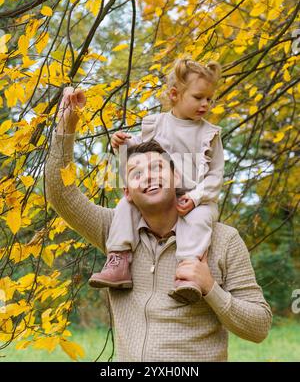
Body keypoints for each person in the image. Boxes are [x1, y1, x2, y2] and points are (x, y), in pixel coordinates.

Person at [44, 84, 272, 362]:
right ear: (127, 191)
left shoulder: (223, 240)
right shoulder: (114, 231)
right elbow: (61, 194)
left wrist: (211, 288)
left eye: (157, 168)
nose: (148, 176)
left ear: (176, 178)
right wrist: (66, 126)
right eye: (136, 172)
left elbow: (259, 327)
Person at [88, 57, 224, 304]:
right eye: (198, 97)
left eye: (209, 99)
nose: (205, 104)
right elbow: (139, 154)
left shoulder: (209, 134)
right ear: (174, 94)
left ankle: (188, 273)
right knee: (125, 206)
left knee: (200, 219)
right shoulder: (157, 124)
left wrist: (195, 198)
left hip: (194, 199)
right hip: (159, 196)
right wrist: (121, 144)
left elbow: (216, 175)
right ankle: (119, 259)